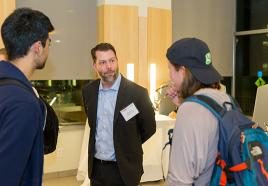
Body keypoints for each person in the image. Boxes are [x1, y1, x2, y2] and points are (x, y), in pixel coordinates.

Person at [0, 8, 54, 185]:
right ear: (37, 47)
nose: (49, 49)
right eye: (49, 42)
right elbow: (1, 178)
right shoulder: (22, 102)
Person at [82, 42, 156, 186]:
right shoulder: (88, 92)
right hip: (97, 169)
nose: (109, 66)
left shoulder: (137, 93)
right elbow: (93, 125)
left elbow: (149, 128)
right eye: (103, 62)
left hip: (125, 170)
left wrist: (128, 143)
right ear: (94, 66)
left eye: (112, 60)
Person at [165, 38, 230, 185]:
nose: (169, 75)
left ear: (182, 72)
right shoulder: (225, 99)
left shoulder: (190, 110)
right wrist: (182, 104)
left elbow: (179, 179)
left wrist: (185, 108)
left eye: (169, 68)